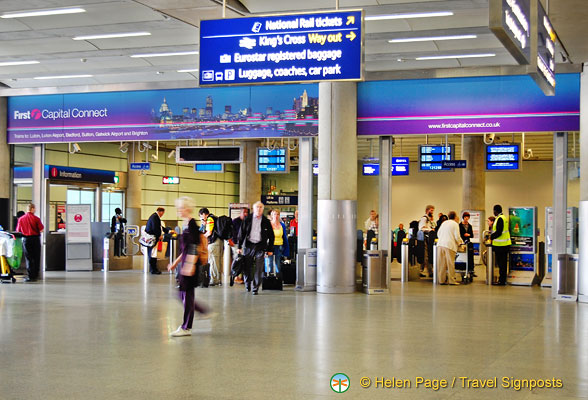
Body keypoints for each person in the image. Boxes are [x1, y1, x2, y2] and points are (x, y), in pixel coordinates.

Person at [167, 197, 212, 337]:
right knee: (183, 294)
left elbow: (194, 247)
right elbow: (185, 249)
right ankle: (201, 312)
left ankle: (186, 326)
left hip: (189, 266)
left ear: (187, 209)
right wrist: (175, 263)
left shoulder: (192, 225)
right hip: (186, 264)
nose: (179, 211)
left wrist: (190, 265)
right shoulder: (186, 224)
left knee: (186, 295)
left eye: (180, 208)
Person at [237, 201, 274, 295]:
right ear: (254, 209)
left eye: (261, 207)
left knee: (259, 267)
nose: (259, 209)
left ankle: (255, 287)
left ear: (262, 209)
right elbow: (242, 233)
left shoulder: (266, 221)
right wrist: (239, 246)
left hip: (260, 246)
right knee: (247, 266)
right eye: (257, 207)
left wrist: (270, 249)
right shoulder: (248, 219)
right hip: (249, 245)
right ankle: (247, 283)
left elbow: (271, 236)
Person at [16, 203, 44, 282]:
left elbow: (18, 230)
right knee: (36, 257)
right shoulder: (36, 219)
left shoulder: (21, 219)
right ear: (32, 209)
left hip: (26, 239)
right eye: (34, 208)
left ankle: (30, 276)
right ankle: (35, 275)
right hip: (35, 239)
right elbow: (41, 230)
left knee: (29, 257)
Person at [436, 211, 462, 285]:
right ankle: (451, 280)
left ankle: (441, 280)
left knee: (441, 264)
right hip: (449, 245)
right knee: (450, 263)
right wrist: (460, 243)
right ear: (455, 216)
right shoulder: (455, 224)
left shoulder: (444, 223)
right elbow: (457, 236)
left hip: (440, 244)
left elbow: (438, 233)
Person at [199, 207, 223, 286]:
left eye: (201, 216)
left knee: (213, 261)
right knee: (217, 261)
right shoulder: (214, 218)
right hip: (218, 241)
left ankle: (214, 279)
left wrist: (202, 237)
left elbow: (209, 232)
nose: (201, 219)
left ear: (203, 214)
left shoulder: (210, 219)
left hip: (214, 242)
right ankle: (218, 279)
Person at [265, 209, 289, 280]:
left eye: (277, 214)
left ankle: (278, 278)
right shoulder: (268, 224)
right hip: (270, 246)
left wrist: (286, 248)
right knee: (269, 262)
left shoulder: (282, 225)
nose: (276, 216)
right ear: (272, 216)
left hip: (279, 246)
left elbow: (284, 236)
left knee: (278, 262)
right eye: (274, 214)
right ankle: (269, 277)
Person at [490, 204, 511, 286]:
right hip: (504, 245)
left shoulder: (500, 219)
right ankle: (502, 279)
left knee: (501, 264)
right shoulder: (503, 218)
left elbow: (499, 232)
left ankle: (502, 281)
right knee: (503, 264)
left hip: (501, 246)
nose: (493, 213)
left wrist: (491, 237)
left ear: (496, 211)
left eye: (494, 211)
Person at [231, 208, 249, 283]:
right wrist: (231, 241)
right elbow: (232, 232)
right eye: (244, 212)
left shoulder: (247, 221)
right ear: (241, 213)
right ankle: (235, 276)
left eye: (247, 212)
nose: (245, 214)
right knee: (237, 259)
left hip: (245, 243)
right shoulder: (235, 221)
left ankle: (241, 276)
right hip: (236, 243)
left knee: (243, 260)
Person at [145, 207, 165, 275]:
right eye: (163, 213)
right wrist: (159, 235)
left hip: (152, 237)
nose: (162, 215)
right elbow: (155, 228)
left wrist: (168, 231)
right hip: (153, 238)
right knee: (152, 254)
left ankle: (153, 269)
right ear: (161, 212)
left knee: (153, 253)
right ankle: (153, 269)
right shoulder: (155, 217)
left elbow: (160, 227)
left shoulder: (154, 216)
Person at [418, 205, 436, 277]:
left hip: (428, 239)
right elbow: (421, 228)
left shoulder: (428, 220)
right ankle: (427, 271)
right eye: (431, 210)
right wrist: (430, 230)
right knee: (425, 256)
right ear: (427, 210)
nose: (432, 212)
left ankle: (428, 271)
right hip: (424, 239)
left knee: (428, 255)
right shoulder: (424, 219)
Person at [459, 212, 475, 276]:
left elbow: (472, 235)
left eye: (467, 217)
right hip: (461, 242)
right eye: (465, 217)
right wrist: (463, 234)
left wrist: (468, 235)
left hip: (468, 242)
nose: (466, 218)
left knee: (470, 255)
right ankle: (462, 269)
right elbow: (459, 234)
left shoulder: (470, 226)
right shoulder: (460, 225)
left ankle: (471, 269)